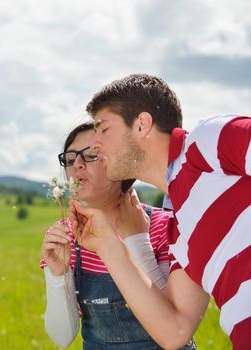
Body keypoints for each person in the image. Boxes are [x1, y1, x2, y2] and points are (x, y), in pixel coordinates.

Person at [72, 73, 250, 349]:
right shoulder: (179, 230)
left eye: (103, 129)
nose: (95, 143)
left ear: (142, 124)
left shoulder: (206, 141)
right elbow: (174, 332)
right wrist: (108, 244)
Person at [40, 122, 196, 349]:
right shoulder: (65, 237)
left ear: (120, 162)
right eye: (71, 158)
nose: (78, 165)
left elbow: (175, 329)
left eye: (92, 155)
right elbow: (61, 337)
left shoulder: (166, 226)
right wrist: (58, 275)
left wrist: (138, 242)